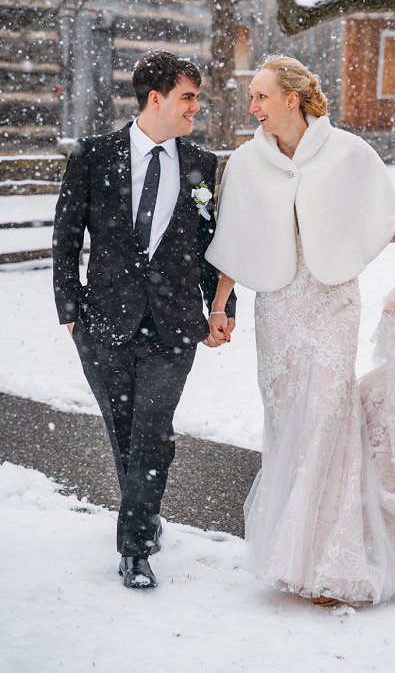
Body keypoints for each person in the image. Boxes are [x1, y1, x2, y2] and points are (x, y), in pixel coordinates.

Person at [204, 55, 395, 607]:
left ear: (293, 98)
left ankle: (336, 560)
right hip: (277, 310)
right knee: (288, 423)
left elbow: (374, 217)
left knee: (328, 418)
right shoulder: (246, 164)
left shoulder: (348, 153)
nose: (252, 107)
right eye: (252, 97)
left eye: (261, 96)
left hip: (331, 305)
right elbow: (233, 243)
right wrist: (220, 307)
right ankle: (292, 555)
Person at [52, 51, 235, 589]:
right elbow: (66, 237)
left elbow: (209, 244)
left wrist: (219, 308)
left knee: (152, 431)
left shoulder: (202, 163)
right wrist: (70, 308)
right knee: (125, 432)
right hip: (102, 322)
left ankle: (133, 547)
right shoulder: (93, 155)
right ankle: (145, 511)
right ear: (155, 99)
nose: (195, 108)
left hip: (175, 324)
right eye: (188, 97)